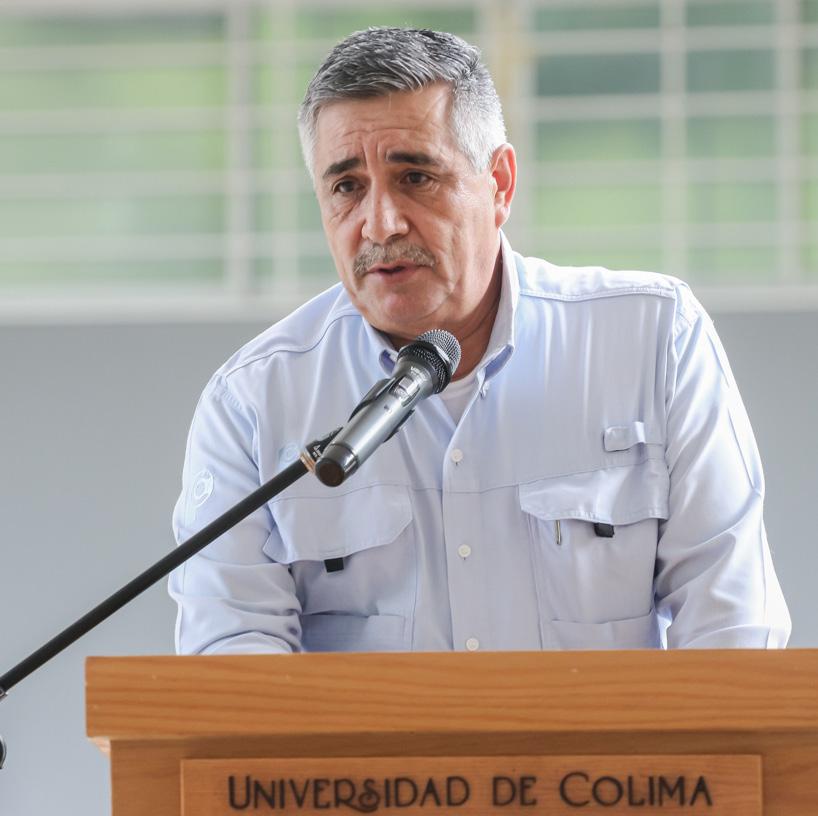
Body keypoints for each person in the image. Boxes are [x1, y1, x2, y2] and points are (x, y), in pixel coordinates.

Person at [169, 27, 790, 654]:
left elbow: (732, 631)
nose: (380, 224)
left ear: (500, 183)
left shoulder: (653, 341)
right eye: (347, 187)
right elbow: (232, 659)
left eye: (416, 176)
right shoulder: (254, 401)